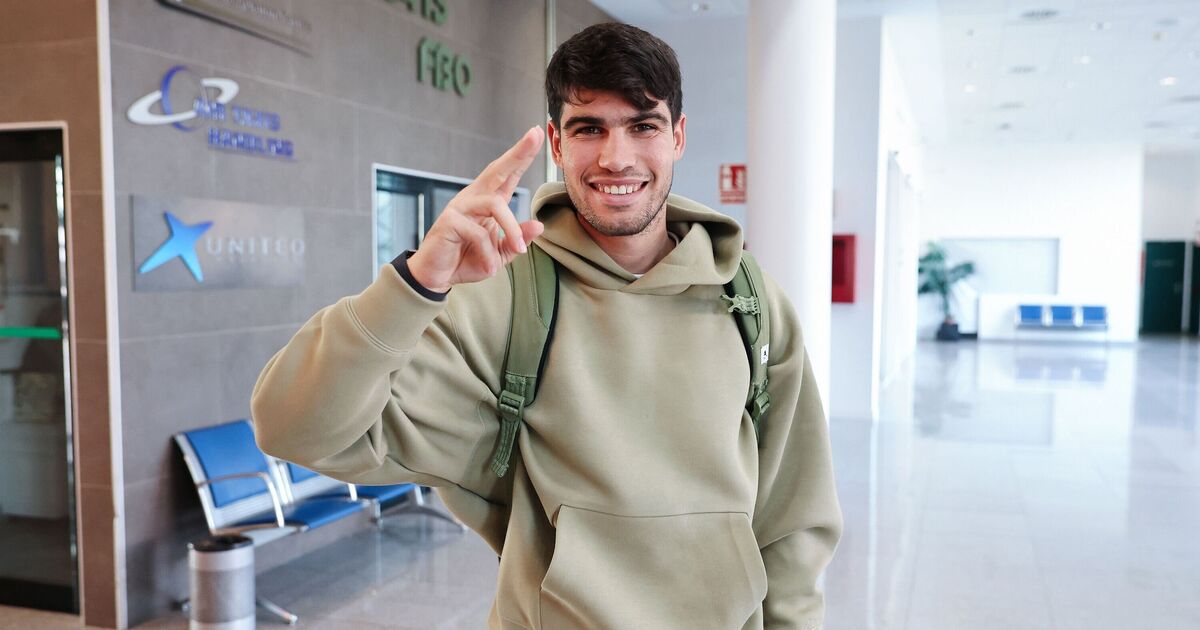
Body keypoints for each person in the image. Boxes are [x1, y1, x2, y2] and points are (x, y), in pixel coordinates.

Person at [252, 22, 841, 629]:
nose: (617, 157)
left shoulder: (749, 301)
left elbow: (793, 522)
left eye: (643, 125)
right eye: (590, 128)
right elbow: (293, 427)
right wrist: (418, 281)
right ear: (557, 146)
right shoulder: (501, 298)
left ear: (678, 137)